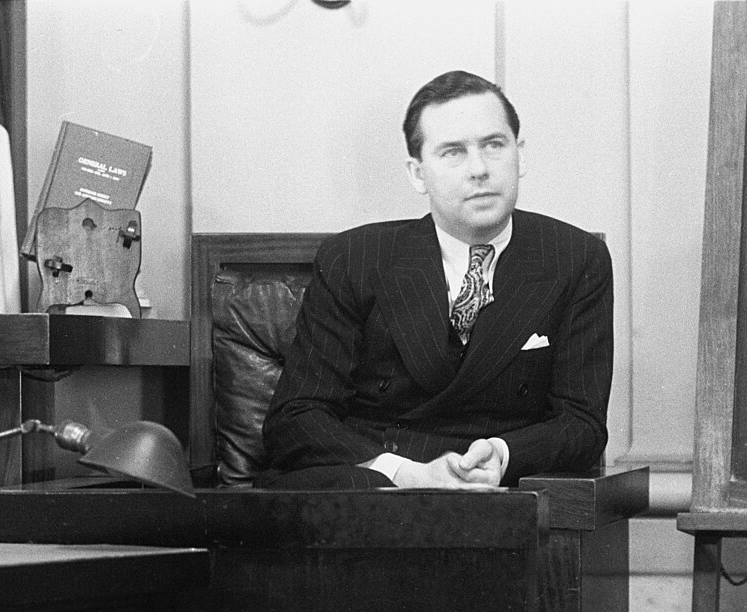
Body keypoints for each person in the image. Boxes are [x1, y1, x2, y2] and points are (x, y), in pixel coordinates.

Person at [257, 70, 613, 490]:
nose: (479, 169)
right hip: (375, 489)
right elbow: (296, 417)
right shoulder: (354, 259)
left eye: (493, 146)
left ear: (521, 154)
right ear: (417, 173)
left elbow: (582, 424)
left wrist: (501, 454)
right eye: (453, 153)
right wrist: (405, 473)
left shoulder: (574, 259)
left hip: (501, 489)